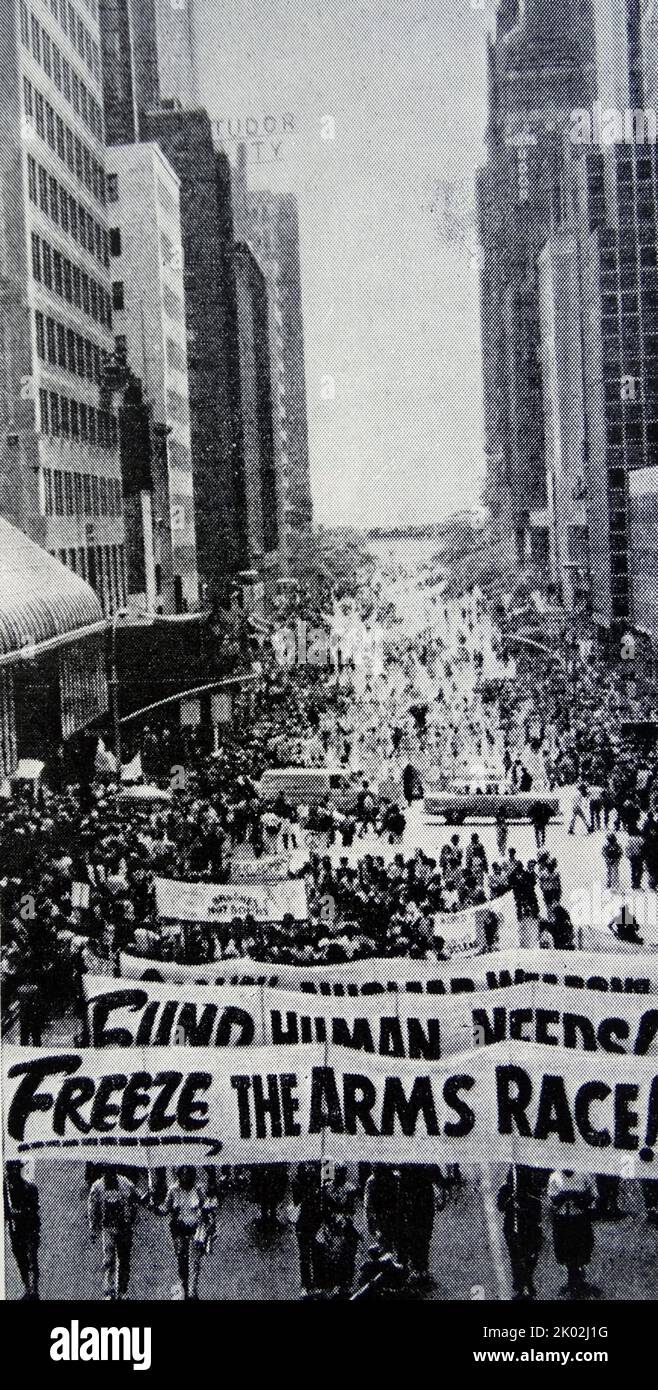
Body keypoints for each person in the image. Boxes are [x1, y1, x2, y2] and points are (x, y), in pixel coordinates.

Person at [159, 1167, 217, 1300]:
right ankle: (183, 1288)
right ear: (179, 1175)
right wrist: (154, 1206)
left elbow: (207, 1206)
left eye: (188, 1174)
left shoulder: (198, 1189)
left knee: (195, 1261)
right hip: (179, 1229)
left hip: (196, 1230)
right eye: (183, 1174)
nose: (185, 1177)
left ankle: (193, 1290)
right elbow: (164, 1209)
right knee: (182, 1259)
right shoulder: (173, 1190)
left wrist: (210, 1218)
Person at [88, 1167, 145, 1301]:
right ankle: (109, 1291)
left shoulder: (125, 1183)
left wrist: (145, 1197)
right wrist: (93, 1228)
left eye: (112, 1171)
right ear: (103, 1172)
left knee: (124, 1261)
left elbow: (136, 1195)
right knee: (109, 1260)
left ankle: (123, 1291)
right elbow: (92, 1208)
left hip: (124, 1228)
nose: (110, 1174)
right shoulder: (97, 1187)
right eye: (107, 1171)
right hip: (107, 1228)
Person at [548, 1169, 598, 1299]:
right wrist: (562, 1197)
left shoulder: (584, 1174)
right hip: (562, 1219)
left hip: (579, 1218)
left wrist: (578, 1198)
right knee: (565, 1251)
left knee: (582, 1248)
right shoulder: (555, 1176)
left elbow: (592, 1195)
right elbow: (551, 1200)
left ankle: (578, 1280)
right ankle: (573, 1280)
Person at [497, 1167, 543, 1300]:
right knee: (516, 1258)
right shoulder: (507, 1190)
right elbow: (500, 1206)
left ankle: (528, 1281)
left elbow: (537, 1210)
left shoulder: (532, 1191)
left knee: (530, 1257)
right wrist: (512, 1198)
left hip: (530, 1227)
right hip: (513, 1228)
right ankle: (520, 1288)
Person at [4, 1160, 40, 1299]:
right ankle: (27, 1287)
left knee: (31, 1260)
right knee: (21, 1260)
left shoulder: (30, 1188)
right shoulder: (6, 1191)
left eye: (13, 1171)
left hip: (30, 1230)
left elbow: (33, 1210)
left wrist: (16, 1213)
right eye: (8, 1171)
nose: (10, 1174)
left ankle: (33, 1290)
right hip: (15, 1232)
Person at [290, 1162, 322, 1294]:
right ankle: (307, 1284)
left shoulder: (326, 1164)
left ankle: (315, 1283)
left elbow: (330, 1182)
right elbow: (296, 1198)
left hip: (317, 1217)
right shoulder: (301, 1169)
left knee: (315, 1252)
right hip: (306, 1217)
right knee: (305, 1254)